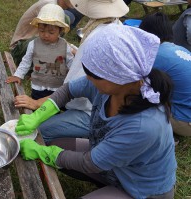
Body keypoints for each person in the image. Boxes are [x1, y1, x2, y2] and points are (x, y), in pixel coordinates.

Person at [16, 24, 177, 198]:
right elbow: (68, 90)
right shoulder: (111, 86)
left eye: (93, 75)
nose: (88, 79)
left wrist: (45, 154)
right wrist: (38, 116)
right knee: (57, 147)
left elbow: (89, 163)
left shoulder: (143, 126)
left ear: (117, 77)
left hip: (139, 189)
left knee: (56, 153)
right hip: (116, 167)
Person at [14, 0, 129, 143]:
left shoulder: (98, 40)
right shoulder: (114, 24)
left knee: (40, 131)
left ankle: (68, 153)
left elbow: (74, 88)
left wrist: (38, 104)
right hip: (99, 103)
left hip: (91, 111)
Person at [6, 4, 74, 100]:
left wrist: (72, 79)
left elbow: (71, 63)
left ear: (60, 31)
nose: (46, 35)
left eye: (51, 32)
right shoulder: (34, 44)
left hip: (57, 87)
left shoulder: (64, 46)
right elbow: (26, 61)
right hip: (38, 86)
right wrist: (18, 75)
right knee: (36, 104)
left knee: (53, 107)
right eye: (42, 31)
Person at [139, 12, 191, 137]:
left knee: (142, 99)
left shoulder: (155, 55)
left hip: (186, 122)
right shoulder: (180, 49)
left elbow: (137, 83)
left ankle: (166, 136)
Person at [10, 0, 76, 66]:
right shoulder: (50, 8)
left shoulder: (56, 7)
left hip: (36, 40)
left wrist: (72, 48)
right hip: (20, 48)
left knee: (66, 19)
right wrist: (72, 50)